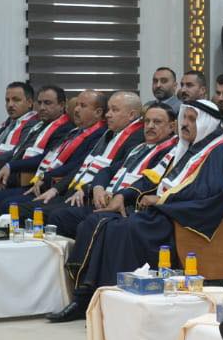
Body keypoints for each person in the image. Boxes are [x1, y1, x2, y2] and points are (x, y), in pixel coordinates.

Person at [50, 100, 223, 322]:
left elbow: (209, 193)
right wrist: (126, 195)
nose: (185, 124)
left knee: (121, 229)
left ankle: (112, 305)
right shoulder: (189, 148)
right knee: (101, 222)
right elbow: (157, 180)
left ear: (206, 123)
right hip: (164, 211)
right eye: (184, 118)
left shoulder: (218, 151)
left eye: (191, 119)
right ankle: (87, 296)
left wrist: (161, 200)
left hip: (183, 218)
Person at [43, 102, 179, 238]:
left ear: (172, 126)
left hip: (128, 207)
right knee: (60, 217)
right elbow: (107, 171)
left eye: (157, 122)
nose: (150, 126)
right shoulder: (139, 148)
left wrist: (120, 195)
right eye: (147, 121)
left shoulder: (171, 152)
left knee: (85, 223)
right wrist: (98, 187)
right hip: (105, 201)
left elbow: (147, 183)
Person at [0, 90, 110, 215]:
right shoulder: (75, 131)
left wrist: (46, 178)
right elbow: (49, 155)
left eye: (82, 106)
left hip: (59, 186)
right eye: (76, 105)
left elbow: (76, 166)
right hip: (40, 181)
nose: (76, 110)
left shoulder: (99, 136)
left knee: (9, 205)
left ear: (98, 112)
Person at [34, 92, 146, 220]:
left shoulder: (137, 137)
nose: (108, 114)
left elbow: (116, 170)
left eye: (114, 110)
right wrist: (56, 189)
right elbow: (84, 165)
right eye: (108, 109)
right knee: (31, 207)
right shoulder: (110, 133)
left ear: (131, 115)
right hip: (77, 191)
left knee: (48, 214)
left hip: (95, 198)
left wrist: (86, 188)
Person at [0, 86, 75, 209]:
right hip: (15, 176)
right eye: (39, 103)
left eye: (47, 103)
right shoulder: (39, 126)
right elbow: (17, 153)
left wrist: (9, 167)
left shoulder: (65, 129)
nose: (42, 107)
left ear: (62, 105)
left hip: (33, 180)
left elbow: (45, 158)